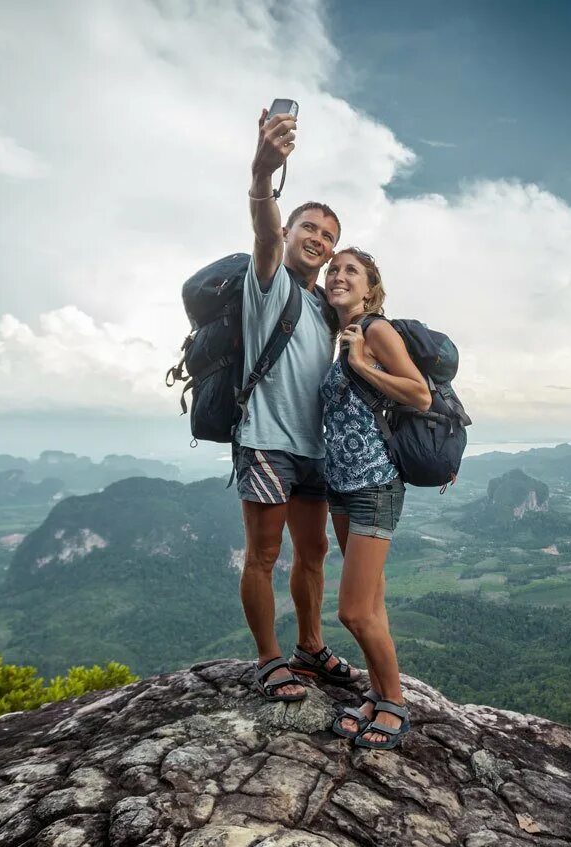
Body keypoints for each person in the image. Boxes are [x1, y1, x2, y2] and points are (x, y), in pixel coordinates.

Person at [240, 108, 357, 702]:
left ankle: (310, 647)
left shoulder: (323, 308)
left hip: (315, 450)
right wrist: (264, 172)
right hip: (266, 440)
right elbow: (262, 227)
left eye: (328, 237)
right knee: (263, 554)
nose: (318, 239)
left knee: (312, 555)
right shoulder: (269, 282)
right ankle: (268, 659)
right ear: (290, 234)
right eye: (309, 228)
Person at [321, 248, 431, 747]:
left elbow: (419, 393)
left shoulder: (376, 330)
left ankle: (395, 705)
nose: (338, 275)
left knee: (353, 611)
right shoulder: (335, 337)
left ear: (370, 288)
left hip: (374, 485)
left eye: (351, 271)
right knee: (374, 603)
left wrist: (362, 364)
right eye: (333, 270)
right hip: (340, 485)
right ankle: (377, 693)